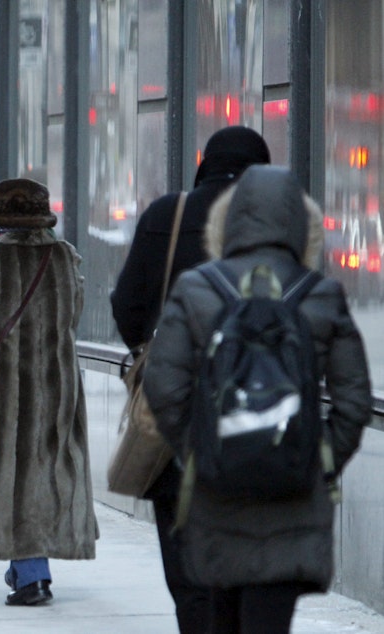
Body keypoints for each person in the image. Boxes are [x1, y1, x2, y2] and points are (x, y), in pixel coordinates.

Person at [142, 165, 372, 633]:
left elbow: (163, 385)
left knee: (218, 616)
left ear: (228, 221)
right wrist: (318, 456)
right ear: (300, 224)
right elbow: (354, 400)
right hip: (293, 501)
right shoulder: (322, 295)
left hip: (215, 499)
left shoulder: (197, 288)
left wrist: (200, 446)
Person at [110, 126, 271, 632]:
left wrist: (149, 350)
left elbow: (127, 305)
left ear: (206, 164)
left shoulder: (167, 216)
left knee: (188, 567)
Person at [0, 178, 98, 606]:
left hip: (8, 387)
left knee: (15, 475)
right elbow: (73, 313)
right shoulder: (65, 257)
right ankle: (25, 567)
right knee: (45, 473)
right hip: (59, 385)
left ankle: (32, 574)